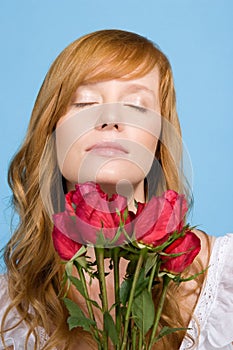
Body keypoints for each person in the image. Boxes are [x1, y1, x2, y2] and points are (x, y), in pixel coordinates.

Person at [0, 29, 232, 350]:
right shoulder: (7, 313)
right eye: (85, 102)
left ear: (159, 139)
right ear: (51, 130)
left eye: (136, 106)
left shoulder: (226, 279)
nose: (110, 119)